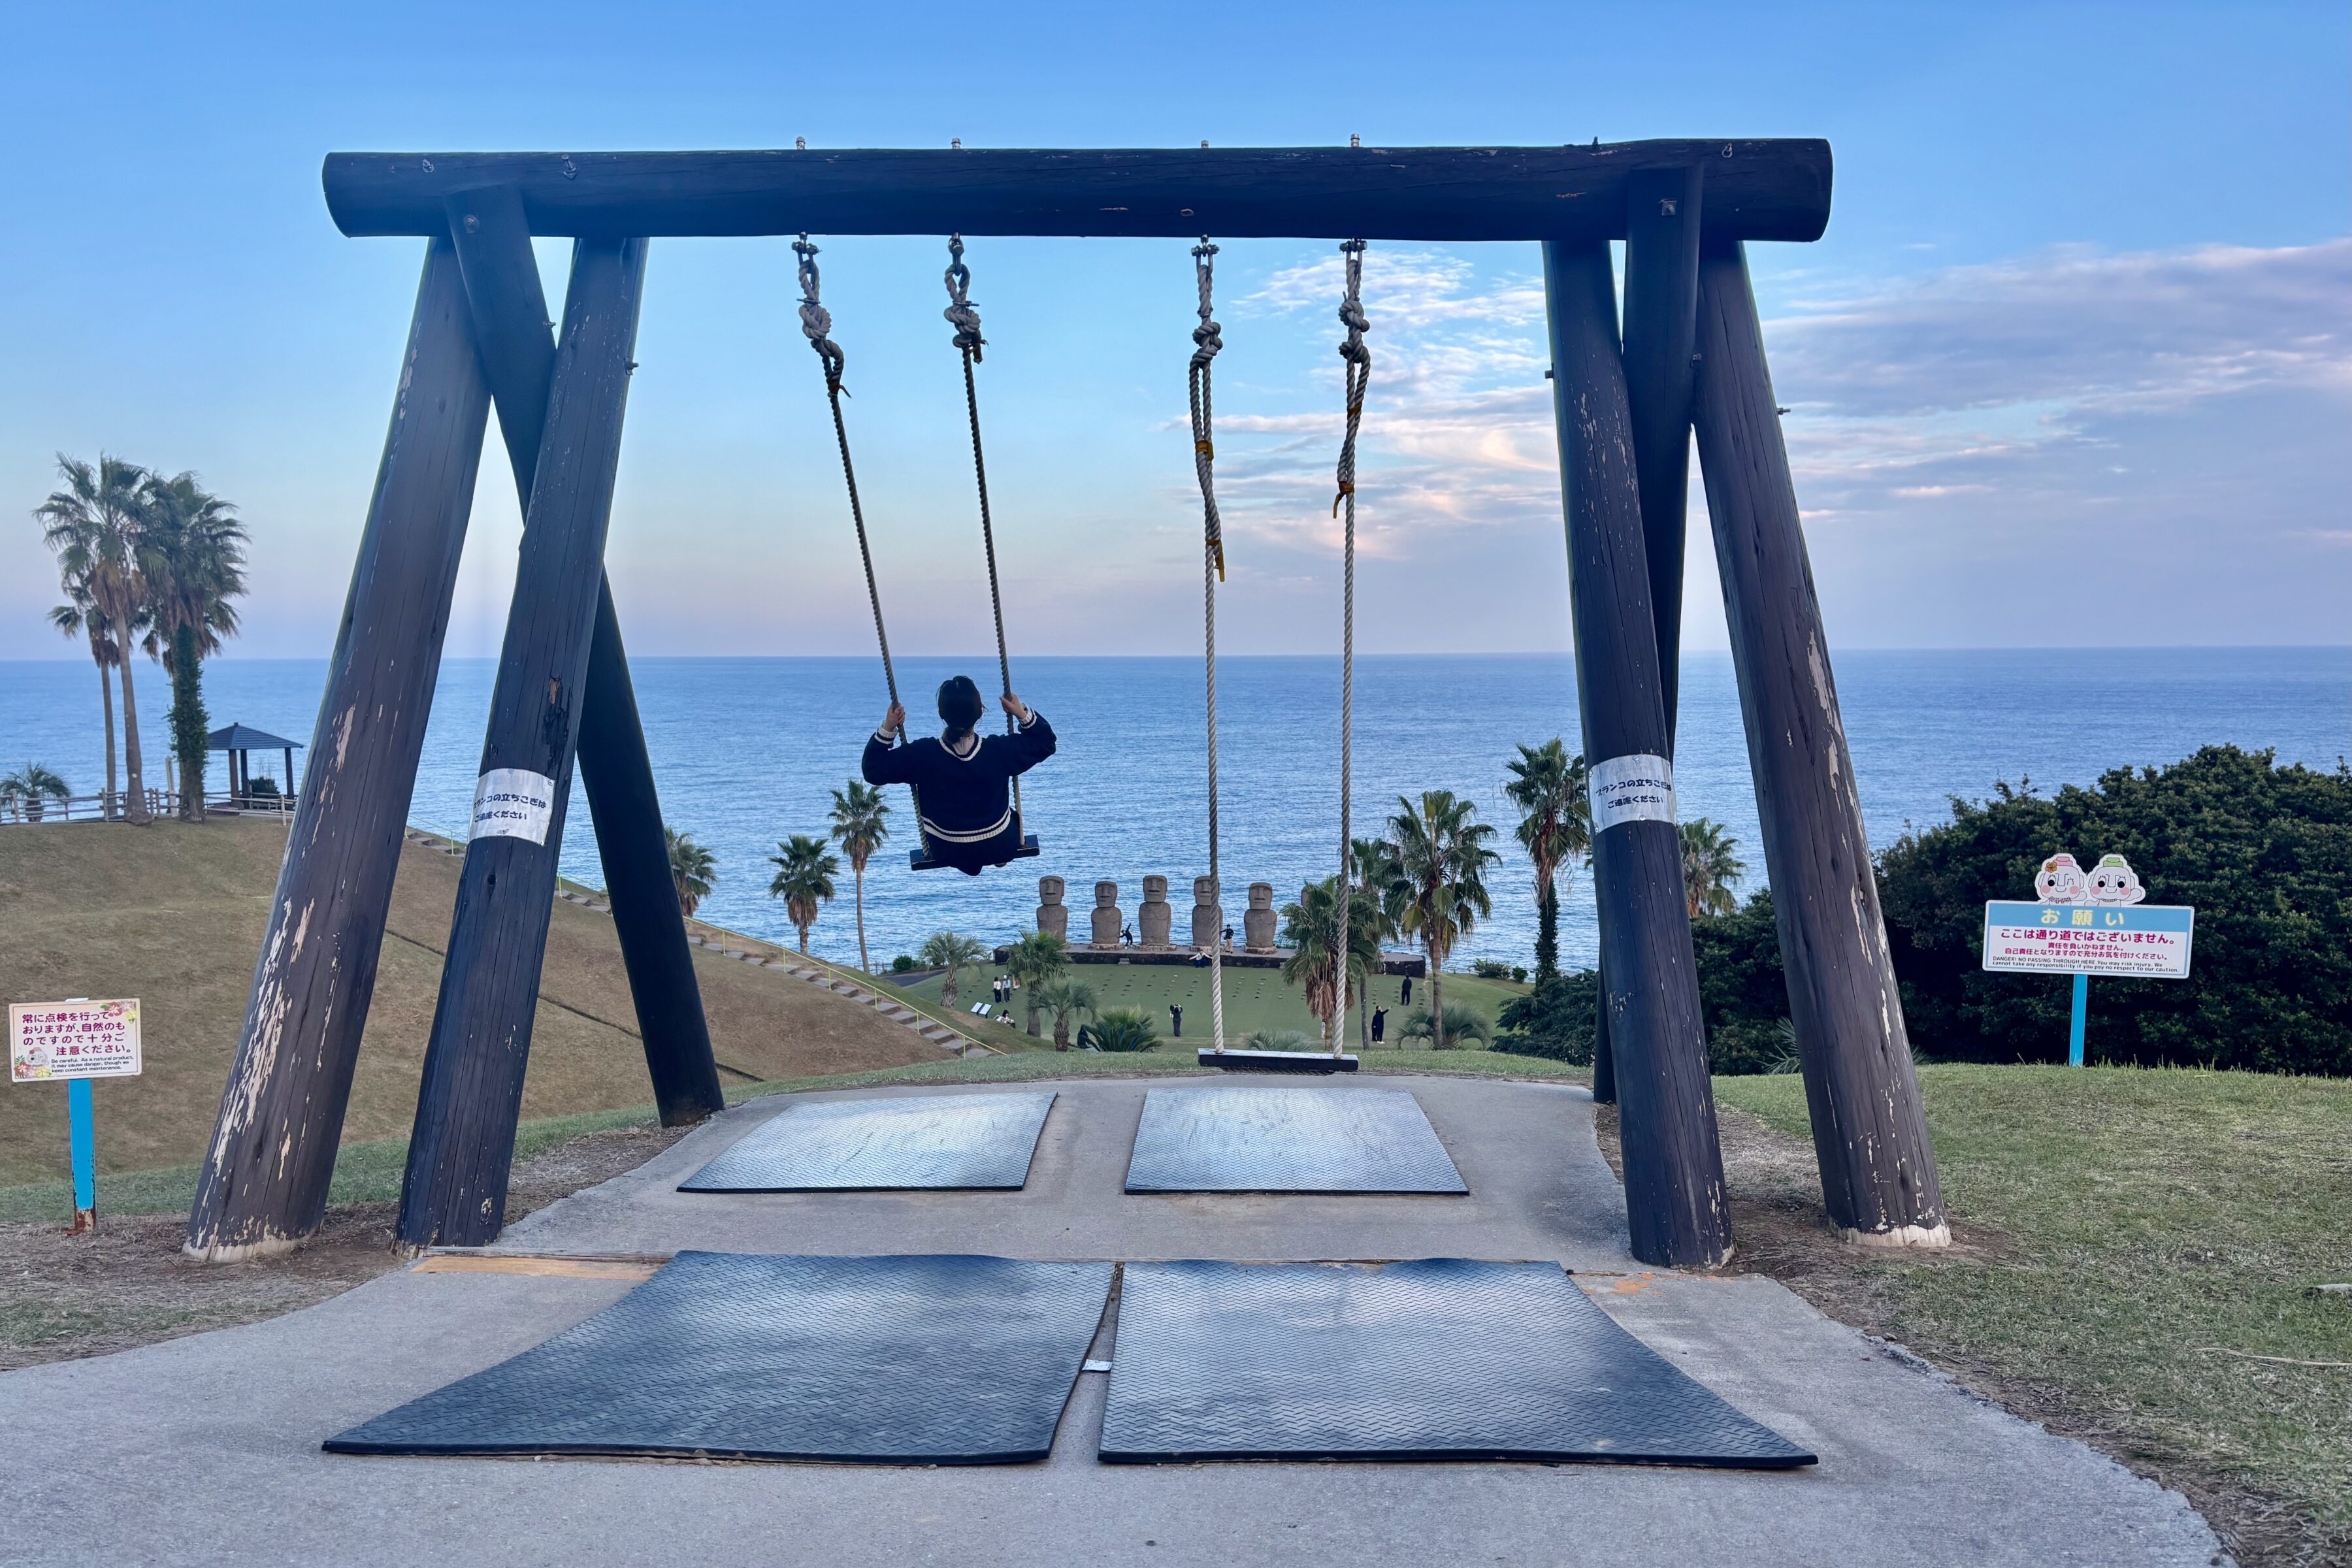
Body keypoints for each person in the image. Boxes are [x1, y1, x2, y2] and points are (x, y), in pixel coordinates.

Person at [863, 676, 1055, 876]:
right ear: (980, 712)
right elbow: (1046, 742)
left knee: (965, 848)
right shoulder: (1000, 751)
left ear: (941, 714)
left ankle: (971, 862)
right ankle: (990, 856)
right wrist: (1020, 712)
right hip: (999, 843)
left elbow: (872, 769)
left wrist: (888, 726)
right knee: (1012, 818)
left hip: (946, 849)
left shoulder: (923, 755)